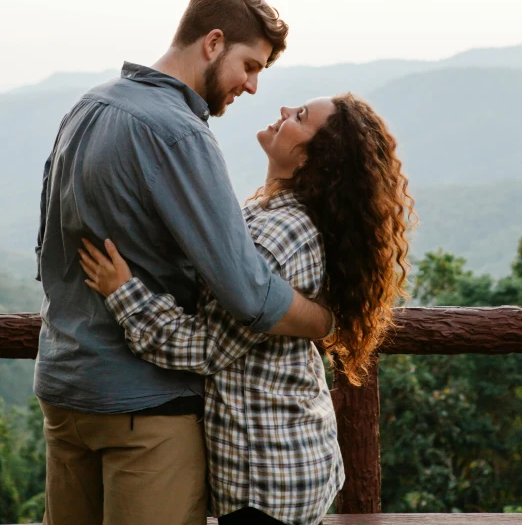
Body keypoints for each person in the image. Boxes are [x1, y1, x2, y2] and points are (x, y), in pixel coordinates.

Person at [35, 0, 333, 525]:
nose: (251, 87)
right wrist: (323, 319)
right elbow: (248, 292)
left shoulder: (87, 106)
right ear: (213, 43)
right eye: (250, 66)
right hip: (144, 407)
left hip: (63, 388)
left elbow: (45, 245)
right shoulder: (179, 133)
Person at [79, 92, 416, 525]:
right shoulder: (288, 217)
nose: (283, 112)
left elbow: (202, 348)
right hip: (288, 458)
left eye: (299, 116)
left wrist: (122, 291)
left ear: (314, 159)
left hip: (265, 476)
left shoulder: (274, 236)